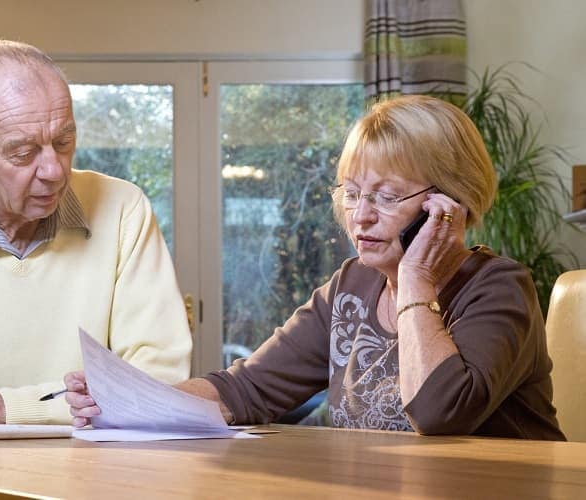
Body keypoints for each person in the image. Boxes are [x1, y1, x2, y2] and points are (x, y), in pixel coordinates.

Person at [65, 95, 565, 440]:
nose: (361, 215)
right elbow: (249, 389)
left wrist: (415, 280)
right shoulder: (351, 286)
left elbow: (441, 414)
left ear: (448, 206)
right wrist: (132, 401)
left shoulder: (500, 287)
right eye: (352, 193)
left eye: (387, 196)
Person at [0, 40, 192, 425]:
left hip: (96, 473)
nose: (54, 170)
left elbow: (158, 382)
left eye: (63, 142)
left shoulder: (123, 209)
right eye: (23, 153)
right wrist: (71, 404)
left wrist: (4, 407)